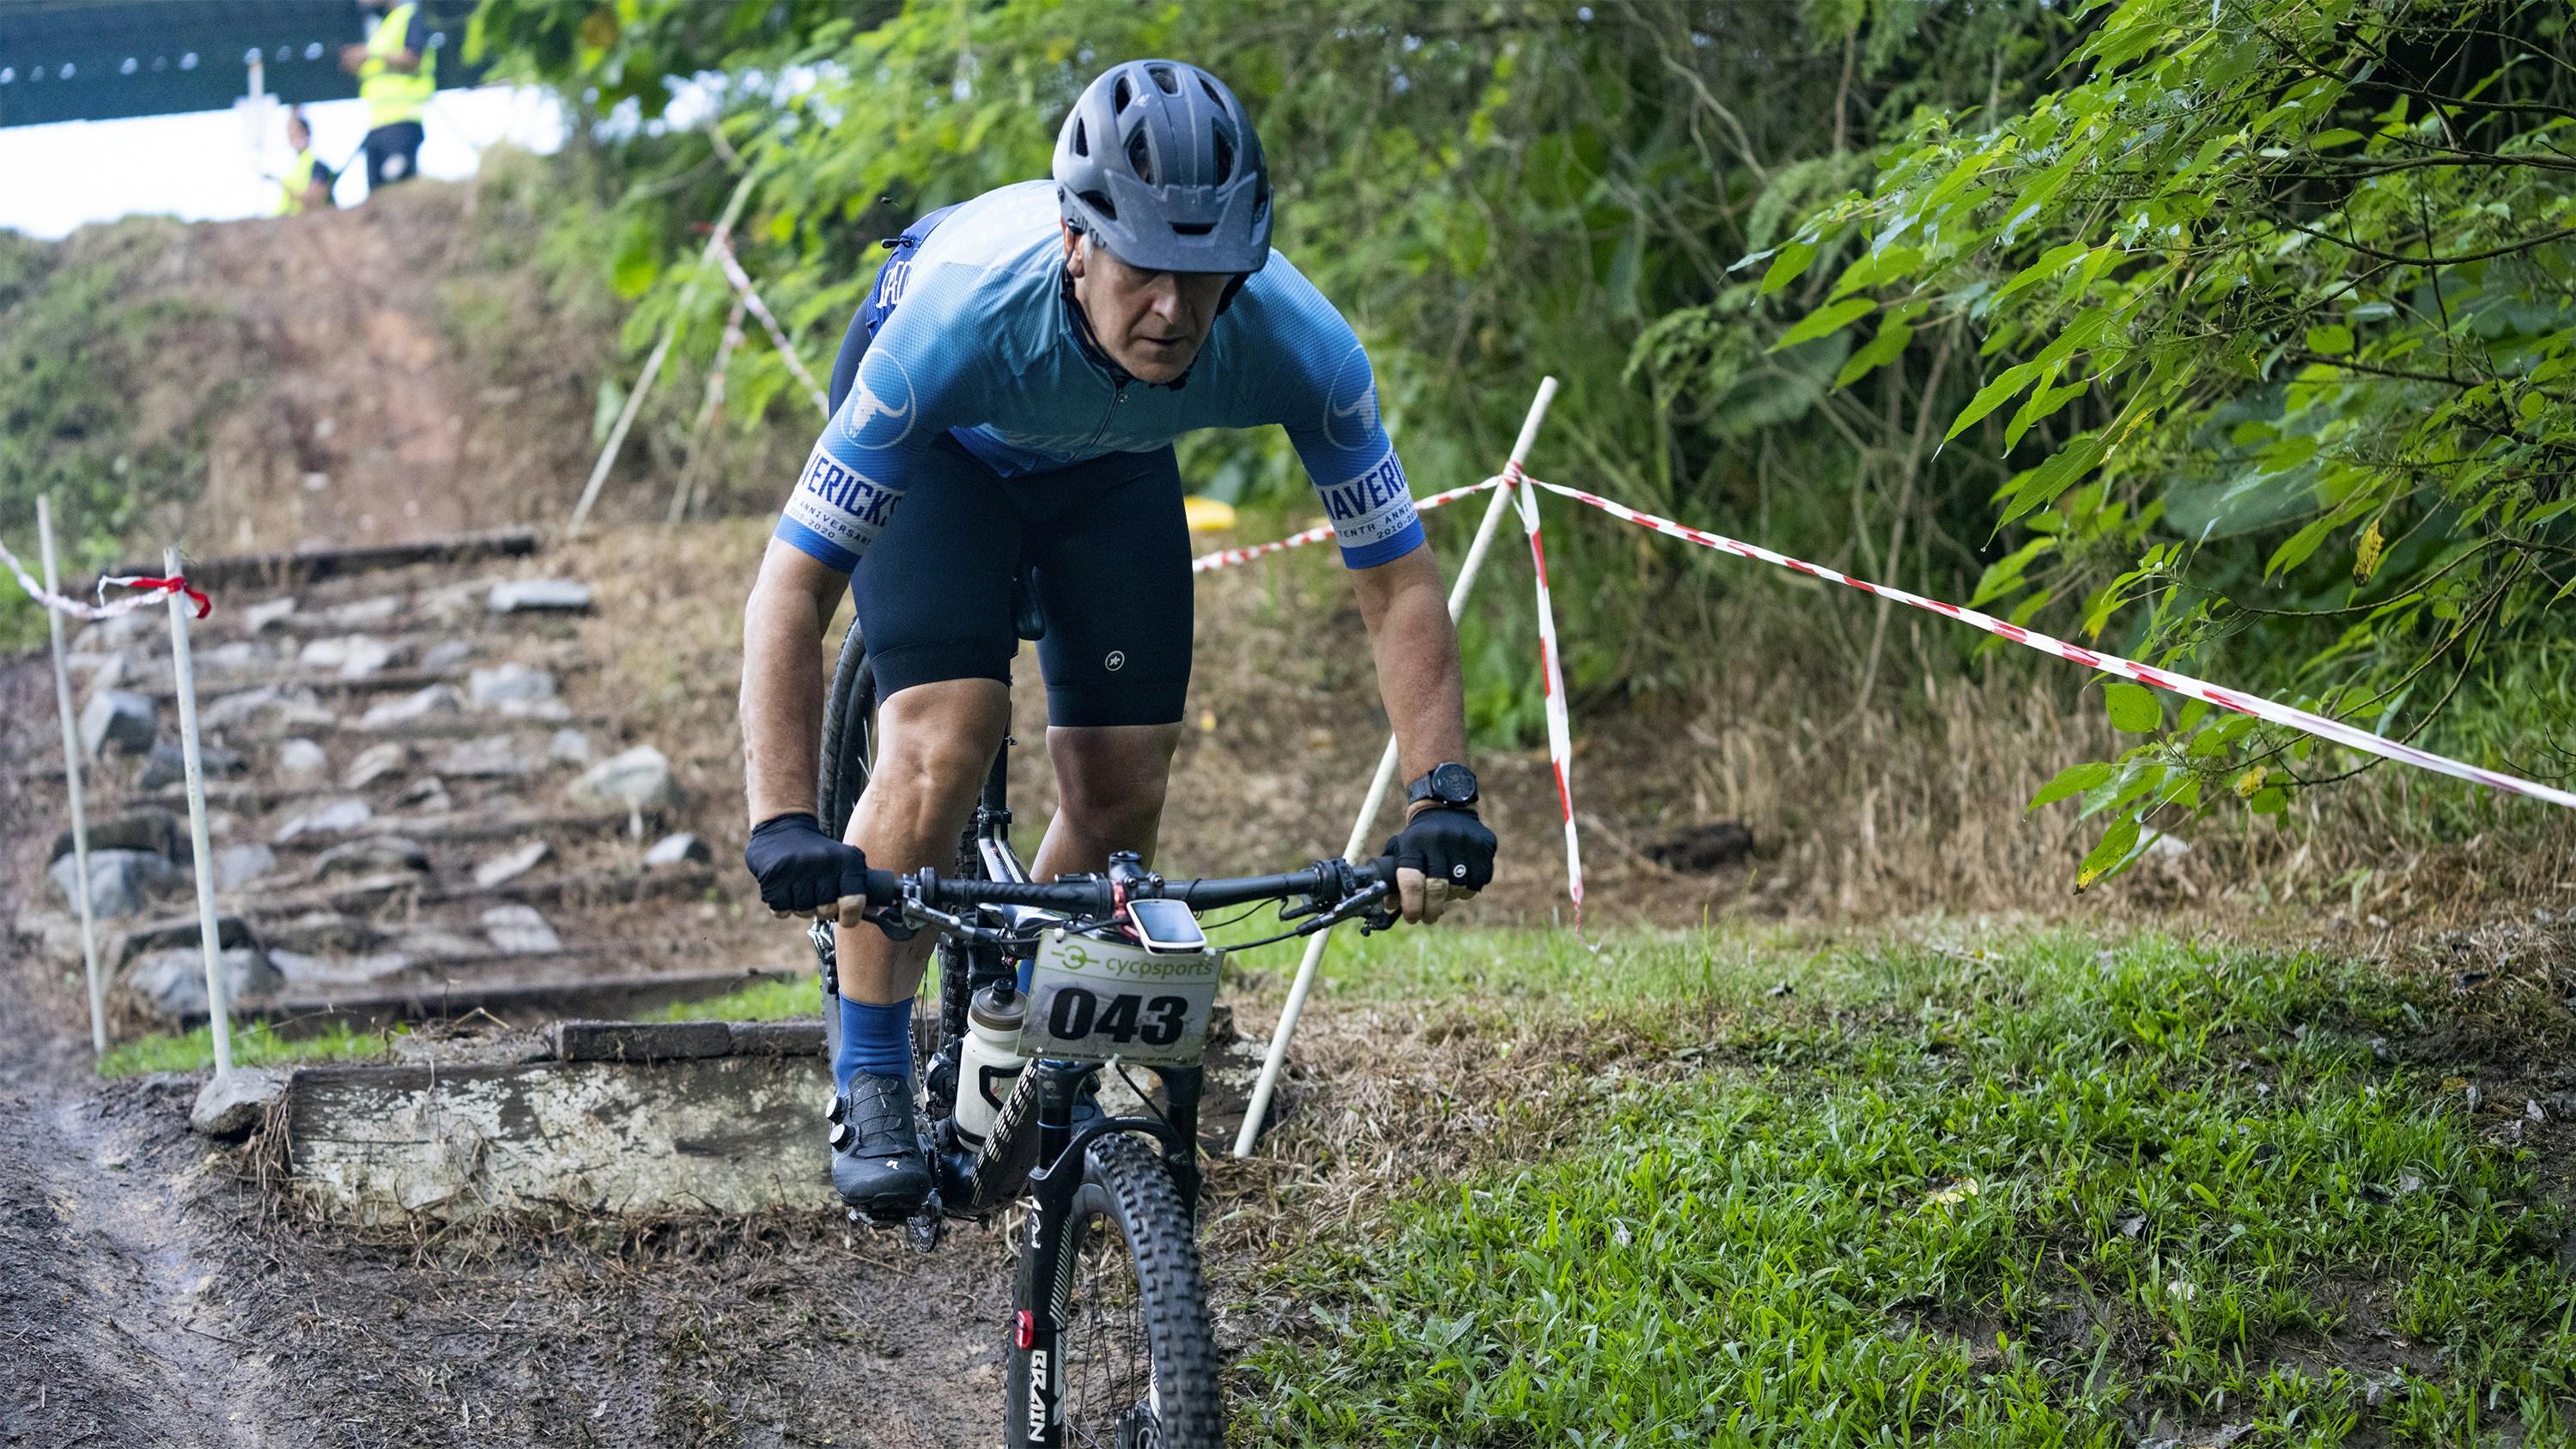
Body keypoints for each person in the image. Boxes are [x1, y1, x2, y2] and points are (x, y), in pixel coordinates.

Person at [737, 59, 1498, 1219]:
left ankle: (1011, 1008)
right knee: (948, 733)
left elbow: (1395, 580)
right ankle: (872, 1071)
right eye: (1145, 268)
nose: (1176, 311)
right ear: (1077, 241)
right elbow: (790, 593)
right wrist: (785, 819)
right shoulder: (951, 323)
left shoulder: (1303, 346)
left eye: (1208, 278)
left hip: (1116, 464)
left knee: (1123, 786)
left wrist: (1441, 790)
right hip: (954, 450)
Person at [338, 0, 434, 192]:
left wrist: (370, 53)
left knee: (400, 188)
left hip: (402, 121)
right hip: (377, 124)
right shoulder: (383, 27)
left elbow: (413, 57)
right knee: (377, 195)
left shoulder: (409, 15)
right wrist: (357, 62)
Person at [273, 108, 337, 216]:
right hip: (290, 224)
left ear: (307, 135)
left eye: (300, 134)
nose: (296, 139)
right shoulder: (293, 169)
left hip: (309, 224)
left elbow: (314, 199)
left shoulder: (317, 166)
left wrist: (286, 190)